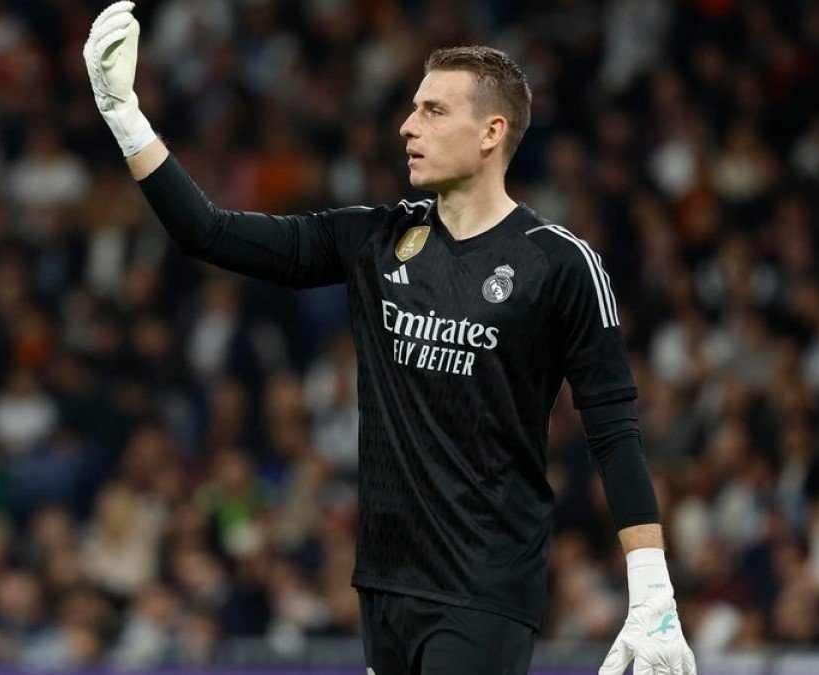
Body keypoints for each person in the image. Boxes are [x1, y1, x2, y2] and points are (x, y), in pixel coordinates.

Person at [83, 3, 697, 674]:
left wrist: (652, 591)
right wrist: (124, 114)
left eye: (434, 110)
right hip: (383, 586)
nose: (408, 125)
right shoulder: (375, 240)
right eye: (412, 108)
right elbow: (209, 232)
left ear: (492, 132)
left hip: (483, 590)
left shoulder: (560, 264)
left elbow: (614, 432)